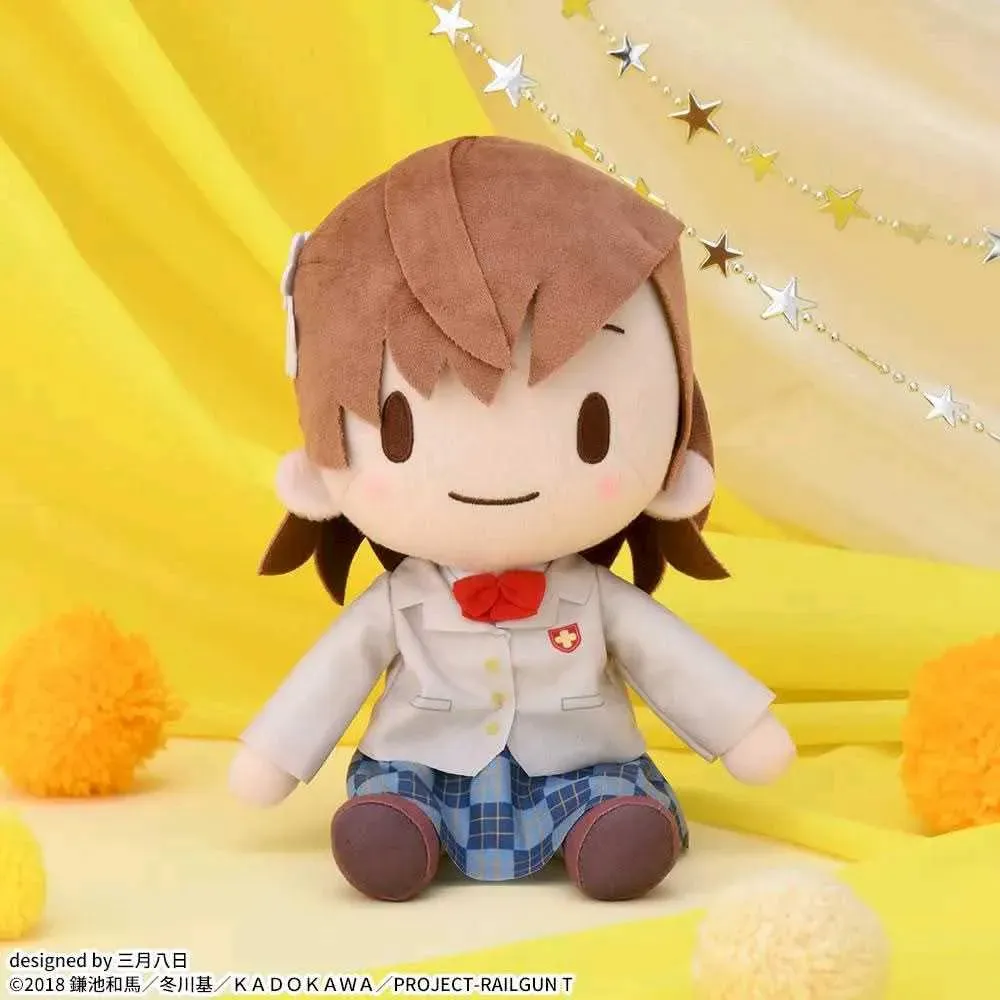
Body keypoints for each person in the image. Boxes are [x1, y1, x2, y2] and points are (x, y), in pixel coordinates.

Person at [229, 135, 795, 903]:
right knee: (391, 804)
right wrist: (274, 756)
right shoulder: (401, 603)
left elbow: (674, 663)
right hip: (423, 761)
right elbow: (332, 674)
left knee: (611, 807)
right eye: (399, 432)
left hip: (580, 763)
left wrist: (742, 732)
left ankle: (608, 834)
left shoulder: (592, 597)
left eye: (593, 427)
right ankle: (399, 832)